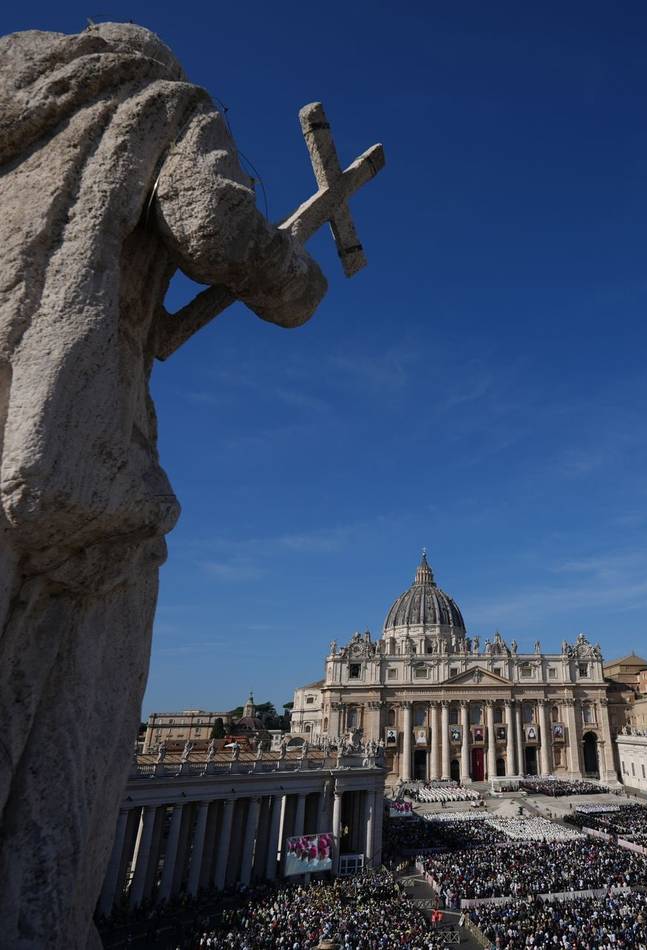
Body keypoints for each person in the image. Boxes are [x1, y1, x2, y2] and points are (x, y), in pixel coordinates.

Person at [0, 23, 325, 947]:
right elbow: (216, 225)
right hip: (66, 454)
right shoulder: (161, 101)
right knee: (61, 759)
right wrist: (298, 282)